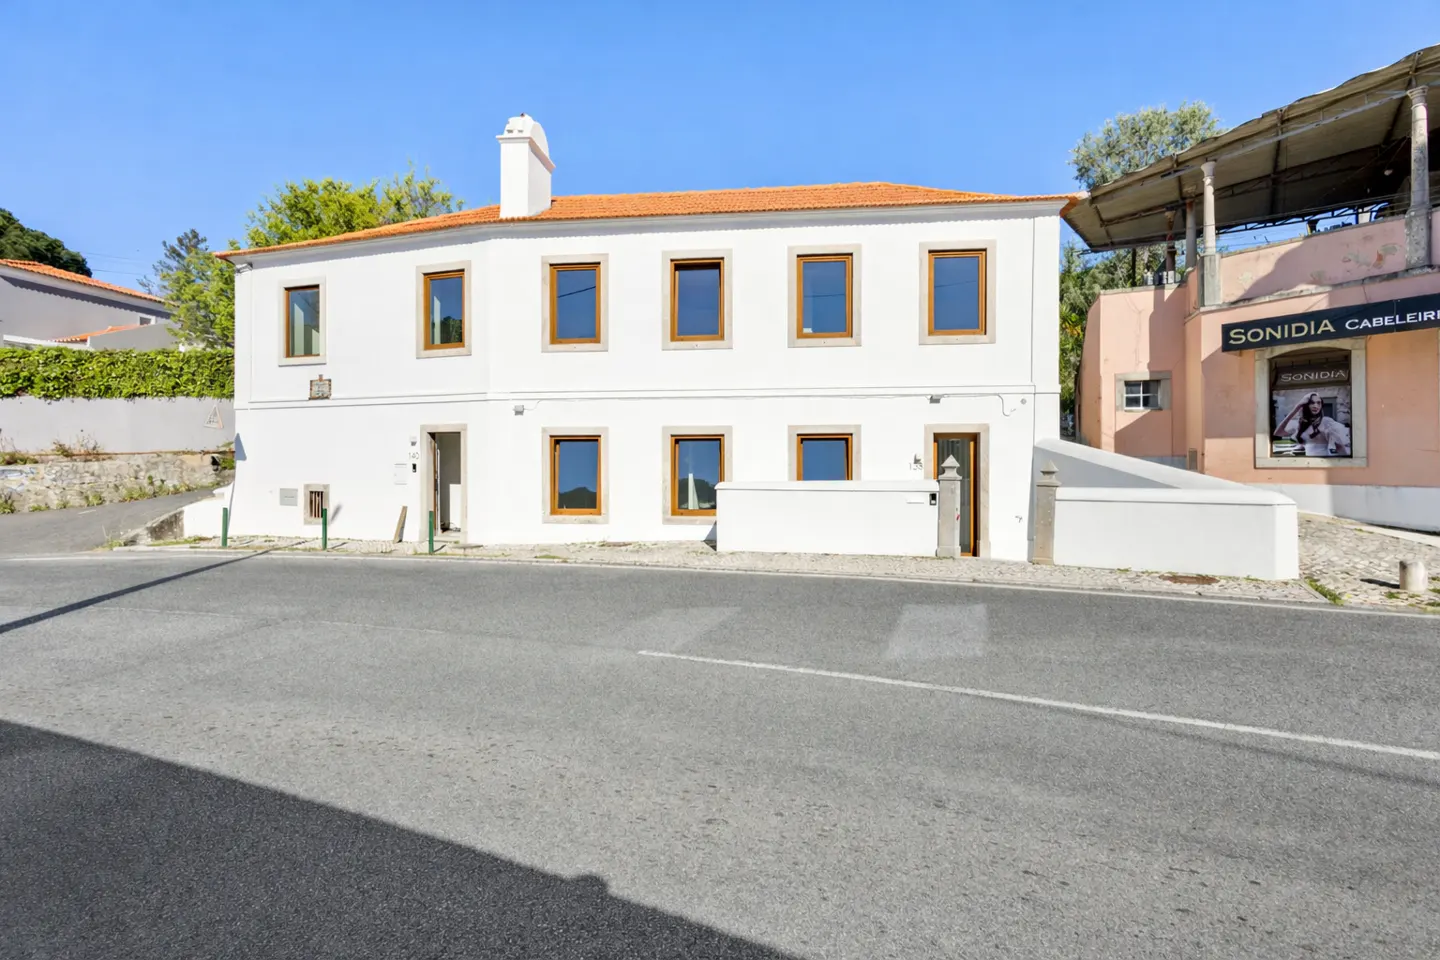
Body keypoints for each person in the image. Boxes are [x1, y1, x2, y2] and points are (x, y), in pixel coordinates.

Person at [1274, 392, 1351, 456]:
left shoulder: (1326, 422)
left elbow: (1341, 449)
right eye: (1312, 403)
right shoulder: (1300, 424)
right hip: (1309, 464)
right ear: (1305, 405)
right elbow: (1278, 433)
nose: (1316, 406)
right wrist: (1297, 407)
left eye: (1318, 403)